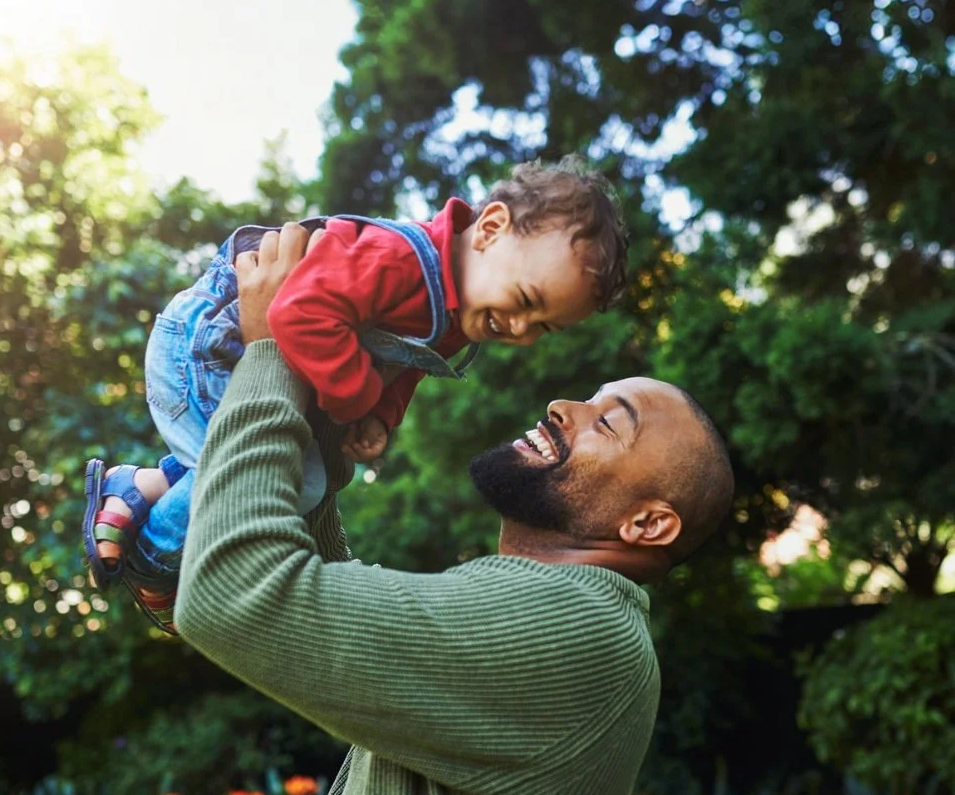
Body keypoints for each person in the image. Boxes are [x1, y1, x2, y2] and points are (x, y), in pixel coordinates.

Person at [173, 222, 735, 795]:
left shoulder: (578, 628)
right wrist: (322, 427)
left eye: (608, 423)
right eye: (590, 396)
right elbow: (314, 599)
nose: (566, 406)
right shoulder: (567, 618)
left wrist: (272, 351)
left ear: (648, 526)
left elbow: (235, 593)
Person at [83, 157, 629, 632]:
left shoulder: (456, 313)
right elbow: (300, 314)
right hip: (205, 350)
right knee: (276, 483)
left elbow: (406, 366)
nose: (522, 328)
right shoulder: (401, 260)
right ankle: (152, 557)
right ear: (489, 229)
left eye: (544, 326)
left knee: (283, 479)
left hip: (232, 361)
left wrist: (378, 414)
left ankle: (138, 490)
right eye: (526, 299)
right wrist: (355, 397)